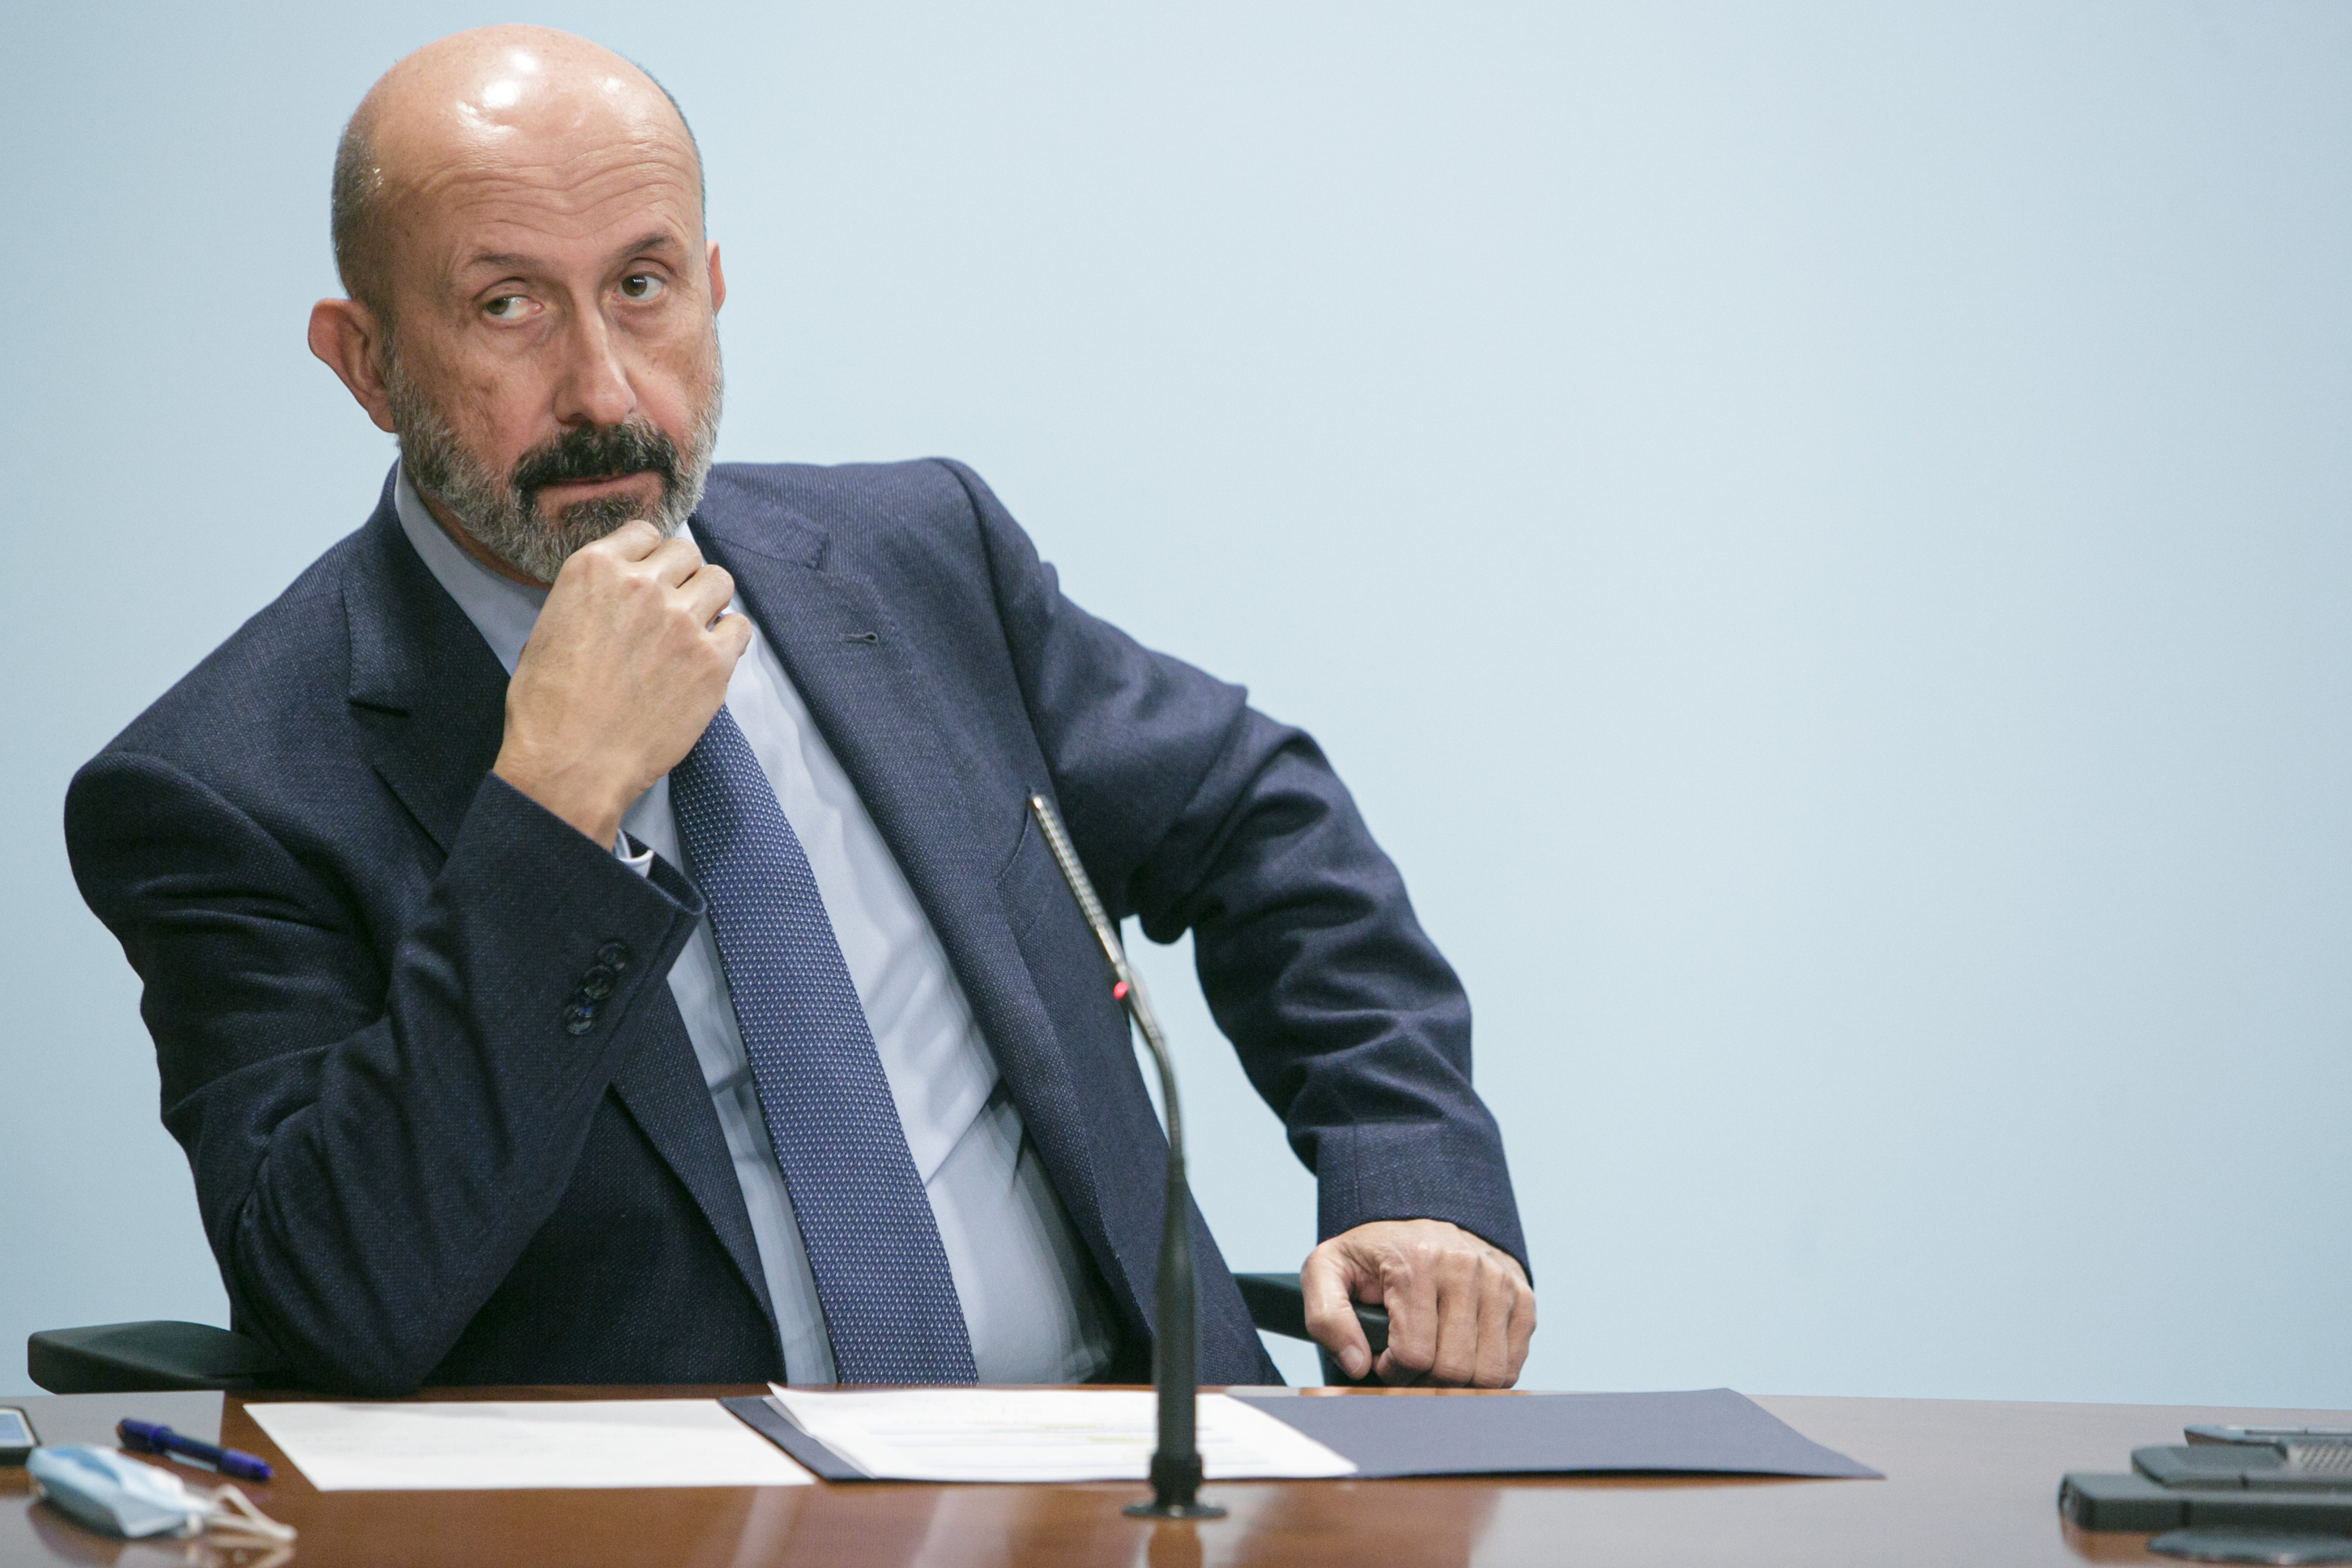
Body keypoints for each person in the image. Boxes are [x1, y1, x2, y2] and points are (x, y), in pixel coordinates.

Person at [65, 24, 1535, 1395]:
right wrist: (551, 811)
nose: (603, 390)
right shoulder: (221, 789)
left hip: (1134, 1470)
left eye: (643, 287)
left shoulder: (916, 558)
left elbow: (1258, 818)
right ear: (368, 363)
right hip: (680, 1521)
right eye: (506, 305)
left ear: (711, 287)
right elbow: (340, 1302)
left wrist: (1413, 1180)